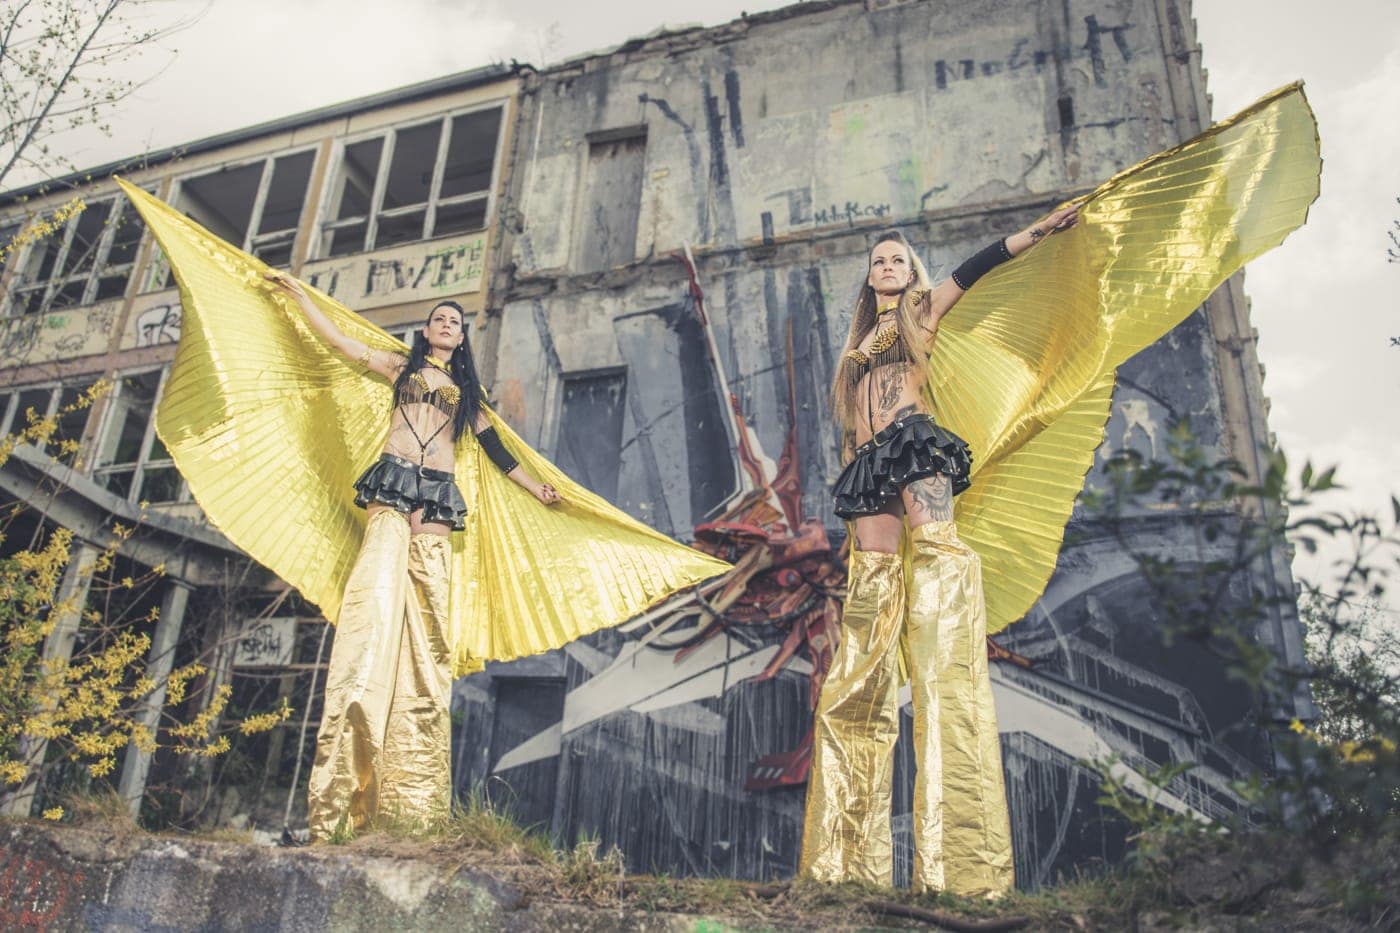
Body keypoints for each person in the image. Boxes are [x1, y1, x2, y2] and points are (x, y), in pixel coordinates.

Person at [800, 207, 1076, 897]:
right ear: (869, 278)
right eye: (878, 261)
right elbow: (852, 419)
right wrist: (852, 458)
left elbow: (977, 267)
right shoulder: (857, 344)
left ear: (910, 271)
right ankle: (845, 863)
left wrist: (1038, 232)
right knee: (868, 614)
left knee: (939, 580)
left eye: (897, 258)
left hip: (914, 445)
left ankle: (962, 867)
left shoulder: (921, 311)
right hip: (869, 465)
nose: (887, 266)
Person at [265, 274, 559, 839]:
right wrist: (302, 301)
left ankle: (410, 800)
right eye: (439, 319)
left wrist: (537, 488)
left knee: (427, 623)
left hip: (438, 492)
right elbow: (340, 344)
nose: (447, 325)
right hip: (394, 479)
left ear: (461, 337)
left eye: (455, 322)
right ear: (426, 331)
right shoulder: (401, 368)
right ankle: (345, 782)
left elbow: (497, 452)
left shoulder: (468, 394)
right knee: (377, 596)